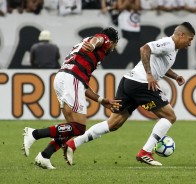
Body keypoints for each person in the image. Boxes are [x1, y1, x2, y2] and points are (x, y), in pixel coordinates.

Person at [63, 22, 195, 166]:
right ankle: (146, 152)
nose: (189, 43)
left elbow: (161, 65)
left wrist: (175, 76)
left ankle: (73, 144)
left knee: (113, 123)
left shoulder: (173, 49)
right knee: (170, 116)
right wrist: (149, 75)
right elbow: (145, 49)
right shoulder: (168, 43)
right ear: (181, 35)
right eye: (190, 39)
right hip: (142, 83)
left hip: (129, 81)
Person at [22, 27, 121, 169]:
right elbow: (98, 39)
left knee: (70, 127)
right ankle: (34, 134)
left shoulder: (84, 49)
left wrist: (101, 100)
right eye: (114, 44)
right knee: (79, 127)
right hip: (70, 79)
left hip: (64, 77)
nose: (113, 48)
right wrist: (94, 44)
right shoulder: (102, 40)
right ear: (112, 42)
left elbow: (83, 86)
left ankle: (44, 156)